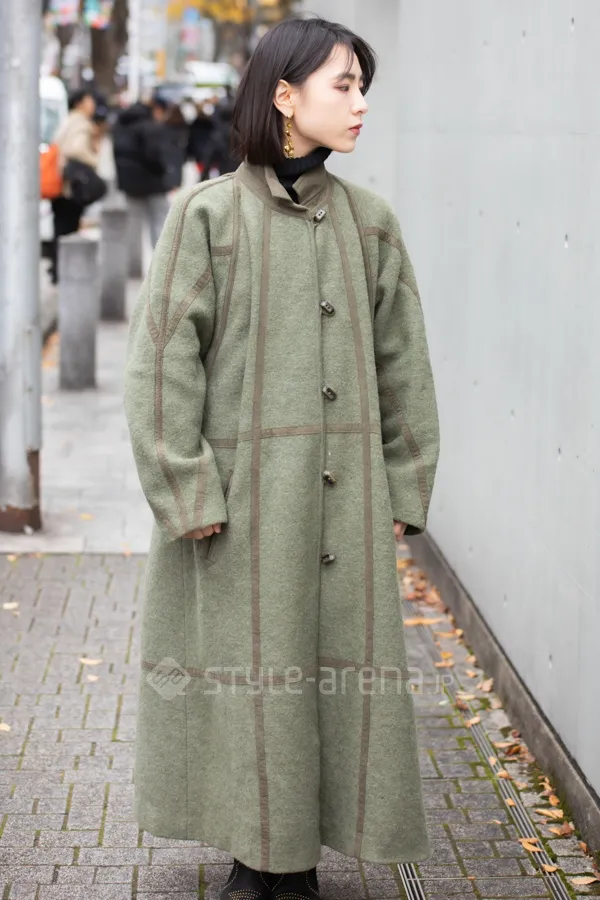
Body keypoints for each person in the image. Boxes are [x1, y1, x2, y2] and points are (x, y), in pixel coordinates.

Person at [124, 16, 440, 900]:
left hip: (344, 505)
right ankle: (258, 858)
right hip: (242, 504)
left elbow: (404, 367)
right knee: (254, 680)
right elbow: (160, 366)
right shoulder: (208, 216)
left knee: (331, 680)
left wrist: (403, 484)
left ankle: (294, 858)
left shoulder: (371, 224)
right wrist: (186, 487)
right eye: (344, 84)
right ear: (285, 97)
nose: (361, 103)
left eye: (363, 86)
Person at [49, 88, 98, 283]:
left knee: (60, 228)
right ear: (80, 103)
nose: (92, 104)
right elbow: (75, 149)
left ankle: (57, 269)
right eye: (89, 100)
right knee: (69, 229)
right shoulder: (81, 123)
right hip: (72, 186)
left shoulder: (67, 120)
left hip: (59, 183)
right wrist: (93, 160)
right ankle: (64, 272)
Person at [112, 95, 173, 248]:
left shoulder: (120, 126)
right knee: (160, 221)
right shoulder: (149, 127)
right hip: (153, 182)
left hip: (129, 184)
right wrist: (164, 172)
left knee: (133, 225)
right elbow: (154, 155)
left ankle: (133, 261)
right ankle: (160, 260)